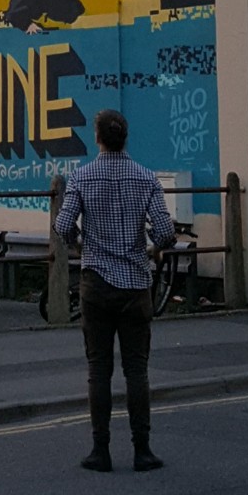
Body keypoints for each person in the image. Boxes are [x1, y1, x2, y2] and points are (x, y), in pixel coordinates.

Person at [56, 109, 173, 472]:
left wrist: (79, 245)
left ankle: (100, 450)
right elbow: (166, 232)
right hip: (136, 284)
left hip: (97, 283)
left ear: (97, 138)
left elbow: (63, 225)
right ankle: (143, 449)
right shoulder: (146, 177)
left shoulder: (82, 177)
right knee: (137, 370)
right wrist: (151, 248)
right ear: (125, 137)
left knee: (99, 369)